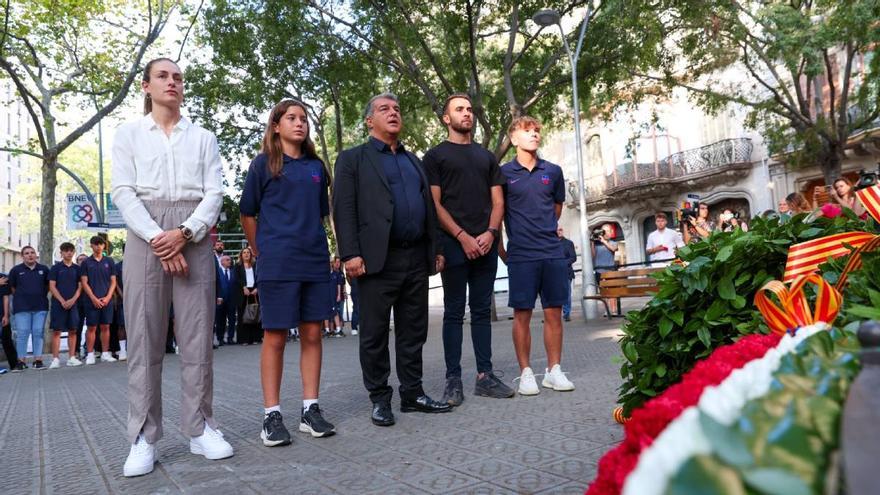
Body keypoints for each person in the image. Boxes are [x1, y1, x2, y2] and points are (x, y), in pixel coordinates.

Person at [111, 57, 232, 477]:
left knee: (198, 336)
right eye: (163, 75)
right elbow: (123, 192)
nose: (172, 82)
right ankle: (143, 437)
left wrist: (184, 232)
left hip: (193, 235)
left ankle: (200, 428)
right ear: (145, 86)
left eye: (178, 76)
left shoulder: (203, 138)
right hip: (145, 235)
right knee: (144, 337)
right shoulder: (128, 135)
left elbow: (214, 193)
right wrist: (159, 239)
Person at [333, 92, 452, 427]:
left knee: (414, 330)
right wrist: (350, 254)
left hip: (415, 257)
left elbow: (428, 207)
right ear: (370, 120)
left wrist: (437, 248)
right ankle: (380, 399)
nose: (393, 113)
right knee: (373, 333)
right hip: (373, 261)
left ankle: (412, 394)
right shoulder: (353, 159)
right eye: (384, 109)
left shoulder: (414, 161)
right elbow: (343, 209)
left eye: (397, 109)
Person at [240, 99, 337, 447]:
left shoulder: (316, 167)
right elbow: (247, 213)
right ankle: (271, 415)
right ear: (276, 126)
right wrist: (262, 250)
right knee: (276, 337)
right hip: (277, 263)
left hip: (313, 260)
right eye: (291, 118)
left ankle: (310, 410)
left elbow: (322, 215)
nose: (300, 123)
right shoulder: (262, 165)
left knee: (313, 334)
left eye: (303, 118)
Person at [423, 93, 513, 405]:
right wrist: (461, 236)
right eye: (459, 109)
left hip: (486, 244)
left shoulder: (486, 157)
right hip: (453, 245)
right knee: (452, 312)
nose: (467, 114)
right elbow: (433, 204)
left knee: (480, 312)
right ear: (446, 118)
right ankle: (453, 380)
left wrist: (490, 233)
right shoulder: (435, 157)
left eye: (470, 109)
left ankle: (484, 377)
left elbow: (498, 201)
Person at [498, 116, 574, 396]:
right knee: (522, 314)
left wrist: (544, 230)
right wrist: (502, 249)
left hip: (552, 252)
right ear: (514, 139)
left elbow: (556, 208)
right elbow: (497, 211)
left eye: (536, 131)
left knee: (554, 312)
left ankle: (554, 371)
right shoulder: (503, 173)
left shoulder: (552, 171)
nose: (533, 134)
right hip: (521, 254)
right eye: (527, 131)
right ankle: (526, 373)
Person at [8, 246, 49, 370]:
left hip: (40, 306)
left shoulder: (44, 269)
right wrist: (23, 297)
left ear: (36, 255)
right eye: (26, 253)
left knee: (38, 332)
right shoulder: (16, 270)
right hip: (22, 307)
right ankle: (21, 361)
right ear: (22, 256)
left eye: (32, 253)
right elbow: (12, 288)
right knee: (23, 334)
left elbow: (47, 286)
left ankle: (38, 360)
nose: (30, 255)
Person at [80, 236, 118, 365]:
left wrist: (108, 297)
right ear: (91, 245)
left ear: (104, 246)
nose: (98, 246)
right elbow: (84, 283)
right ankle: (90, 354)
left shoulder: (109, 261)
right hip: (91, 300)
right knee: (91, 327)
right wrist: (93, 298)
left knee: (106, 326)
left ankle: (105, 353)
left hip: (107, 300)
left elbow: (113, 282)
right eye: (96, 244)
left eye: (101, 244)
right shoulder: (86, 262)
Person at [48, 242, 83, 368]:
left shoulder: (77, 268)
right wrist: (62, 301)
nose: (69, 253)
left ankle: (72, 357)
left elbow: (80, 287)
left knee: (73, 330)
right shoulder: (55, 268)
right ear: (61, 253)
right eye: (66, 251)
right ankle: (55, 359)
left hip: (73, 304)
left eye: (71, 251)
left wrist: (73, 300)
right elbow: (52, 286)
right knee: (57, 331)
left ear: (74, 253)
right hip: (58, 304)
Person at [588, 224, 617, 316]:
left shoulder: (613, 242)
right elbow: (592, 256)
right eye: (604, 231)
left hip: (610, 271)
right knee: (603, 292)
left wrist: (604, 241)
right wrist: (592, 242)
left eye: (608, 230)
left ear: (611, 232)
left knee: (612, 292)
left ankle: (614, 310)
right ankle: (607, 310)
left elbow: (613, 249)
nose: (605, 232)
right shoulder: (597, 244)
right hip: (599, 271)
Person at [234, 246, 260, 346]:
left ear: (251, 254)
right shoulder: (237, 266)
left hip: (254, 291)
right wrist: (243, 287)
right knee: (243, 316)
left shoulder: (255, 265)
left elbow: (259, 277)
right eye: (244, 253)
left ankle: (255, 338)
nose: (246, 254)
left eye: (248, 253)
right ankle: (244, 339)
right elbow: (236, 279)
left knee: (254, 314)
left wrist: (256, 288)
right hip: (243, 292)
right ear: (241, 255)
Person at [215, 255, 237, 346]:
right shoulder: (218, 272)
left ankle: (230, 338)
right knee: (220, 320)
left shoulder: (233, 272)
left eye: (230, 260)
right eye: (227, 260)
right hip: (221, 299)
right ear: (222, 262)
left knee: (232, 319)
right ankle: (220, 338)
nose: (229, 261)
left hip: (231, 300)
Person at [559, 227, 578, 321]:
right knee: (554, 294)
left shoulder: (568, 243)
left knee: (566, 294)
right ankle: (554, 315)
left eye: (561, 229)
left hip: (566, 272)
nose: (559, 231)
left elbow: (573, 257)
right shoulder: (550, 243)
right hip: (552, 273)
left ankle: (566, 314)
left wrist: (562, 263)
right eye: (557, 230)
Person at [0, 272, 17, 372]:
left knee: (7, 340)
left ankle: (14, 365)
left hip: (2, 315)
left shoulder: (3, 277)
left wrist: (6, 315)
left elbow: (6, 297)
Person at [114, 245, 127, 361]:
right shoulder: (118, 266)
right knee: (122, 325)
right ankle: (123, 350)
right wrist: (122, 294)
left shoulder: (138, 265)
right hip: (122, 300)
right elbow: (115, 283)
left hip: (137, 300)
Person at [74, 253, 88, 358]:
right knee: (77, 328)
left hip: (90, 302)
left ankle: (89, 348)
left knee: (92, 327)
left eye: (84, 259)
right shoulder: (75, 271)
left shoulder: (91, 270)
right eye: (80, 259)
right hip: (78, 304)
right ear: (77, 261)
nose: (82, 261)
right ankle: (76, 350)